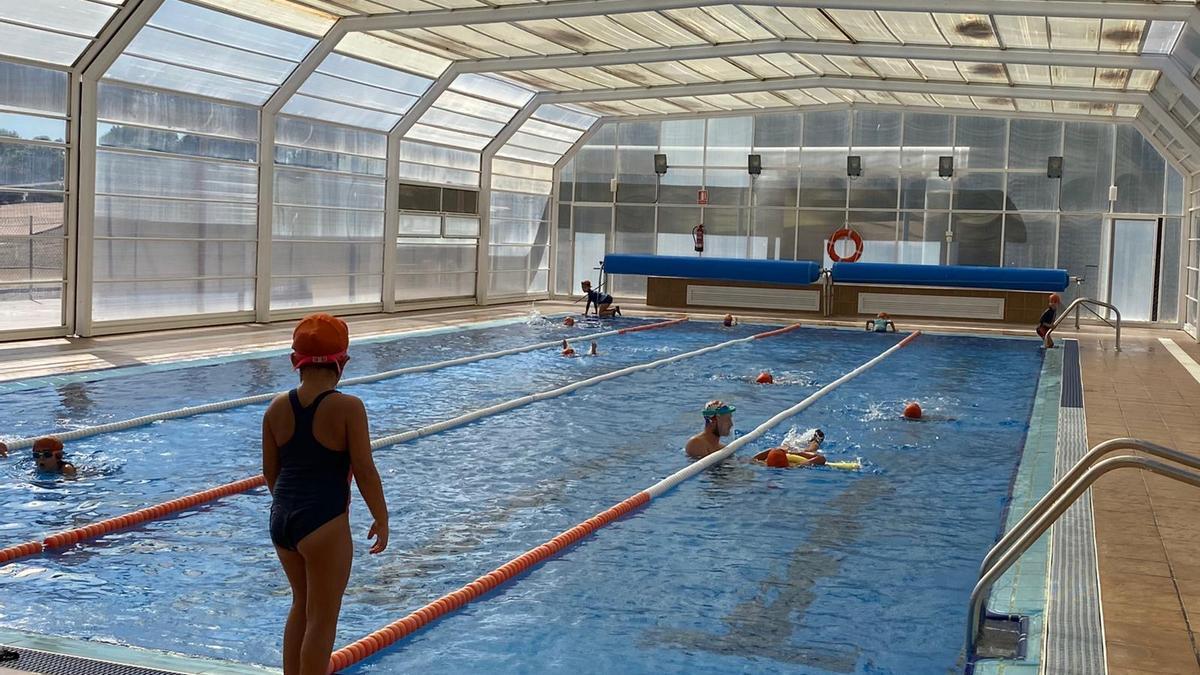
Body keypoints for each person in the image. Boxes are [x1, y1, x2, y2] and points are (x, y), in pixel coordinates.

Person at [263, 313, 389, 675]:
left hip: (282, 519)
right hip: (324, 521)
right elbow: (364, 469)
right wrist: (381, 515)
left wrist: (289, 504)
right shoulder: (348, 407)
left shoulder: (276, 407)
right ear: (343, 361)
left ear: (293, 362)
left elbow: (270, 472)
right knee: (323, 618)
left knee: (300, 604)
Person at [753, 429, 827, 468]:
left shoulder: (764, 463)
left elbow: (754, 459)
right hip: (795, 454)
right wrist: (794, 453)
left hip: (787, 451)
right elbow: (821, 459)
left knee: (785, 445)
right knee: (809, 450)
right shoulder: (795, 466)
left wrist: (779, 450)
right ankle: (816, 440)